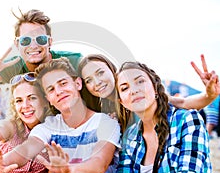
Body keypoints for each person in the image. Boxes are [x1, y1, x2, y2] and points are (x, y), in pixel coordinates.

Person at [0, 58, 121, 173]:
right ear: (48, 99)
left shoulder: (105, 122)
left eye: (63, 83)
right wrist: (1, 162)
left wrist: (67, 169)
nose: (58, 91)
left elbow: (99, 164)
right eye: (51, 89)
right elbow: (25, 150)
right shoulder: (48, 127)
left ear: (78, 83)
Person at [107, 61, 217, 173]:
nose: (134, 90)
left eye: (140, 81)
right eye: (125, 88)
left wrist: (209, 94)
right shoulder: (130, 135)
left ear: (155, 88)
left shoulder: (187, 120)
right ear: (122, 102)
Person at [78, 53, 219, 131]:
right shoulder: (100, 112)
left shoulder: (139, 95)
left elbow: (183, 102)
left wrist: (209, 95)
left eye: (100, 72)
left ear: (112, 69)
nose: (97, 82)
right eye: (88, 80)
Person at [0, 9, 82, 85]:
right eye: (25, 40)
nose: (33, 46)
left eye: (40, 39)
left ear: (50, 42)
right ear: (17, 44)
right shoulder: (13, 67)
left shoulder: (74, 61)